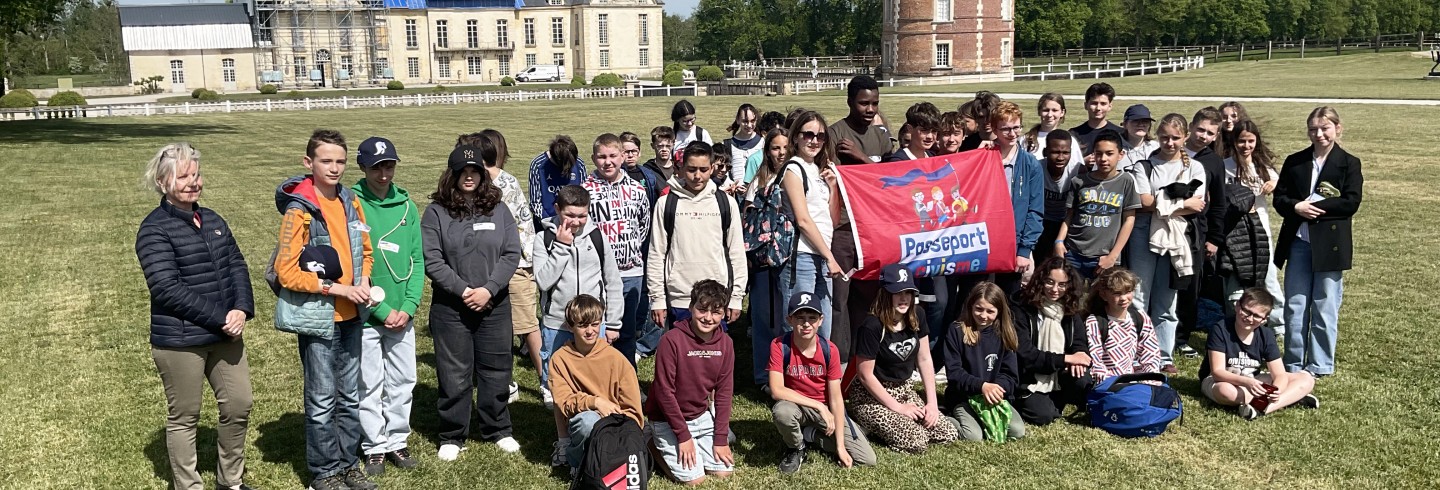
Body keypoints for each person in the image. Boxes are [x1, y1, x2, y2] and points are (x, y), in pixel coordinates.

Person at [136, 143, 256, 490]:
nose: (193, 182)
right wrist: (222, 317)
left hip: (225, 334)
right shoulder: (154, 229)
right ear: (163, 182)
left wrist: (241, 308)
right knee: (185, 416)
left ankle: (230, 481)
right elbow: (166, 288)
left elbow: (236, 264)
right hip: (180, 340)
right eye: (183, 176)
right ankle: (188, 486)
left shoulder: (213, 219)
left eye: (196, 174)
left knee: (239, 405)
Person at [272, 129, 377, 490]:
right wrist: (339, 288)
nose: (334, 168)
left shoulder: (351, 200)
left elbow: (365, 249)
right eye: (326, 161)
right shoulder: (299, 210)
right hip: (320, 319)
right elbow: (287, 272)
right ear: (309, 162)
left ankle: (348, 465)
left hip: (352, 316)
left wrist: (364, 280)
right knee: (321, 400)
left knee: (349, 397)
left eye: (340, 161)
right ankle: (325, 472)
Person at [423, 144, 523, 461]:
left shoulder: (499, 209)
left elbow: (511, 253)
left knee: (497, 369)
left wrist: (489, 289)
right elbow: (432, 260)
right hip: (451, 307)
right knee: (454, 373)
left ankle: (498, 428)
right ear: (451, 175)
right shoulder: (436, 212)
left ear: (483, 174)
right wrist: (465, 291)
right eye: (462, 171)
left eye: (475, 171)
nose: (469, 177)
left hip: (495, 303)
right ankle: (453, 434)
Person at [534, 184, 624, 466]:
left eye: (582, 215)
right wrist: (561, 247)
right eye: (570, 215)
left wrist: (613, 322)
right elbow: (543, 281)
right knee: (560, 386)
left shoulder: (597, 237)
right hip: (557, 325)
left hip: (594, 325)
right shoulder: (543, 238)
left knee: (594, 382)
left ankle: (597, 436)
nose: (576, 221)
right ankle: (563, 442)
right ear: (557, 209)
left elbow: (612, 281)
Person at [352, 137, 423, 475]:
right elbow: (352, 265)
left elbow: (417, 261)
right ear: (362, 168)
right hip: (366, 315)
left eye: (389, 166)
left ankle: (397, 439)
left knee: (403, 380)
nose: (383, 174)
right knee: (369, 383)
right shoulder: (352, 204)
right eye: (376, 168)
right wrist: (381, 311)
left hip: (402, 315)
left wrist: (408, 306)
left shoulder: (407, 206)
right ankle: (374, 445)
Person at [1273, 106, 1363, 378]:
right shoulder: (1295, 161)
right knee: (1295, 305)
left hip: (1330, 244)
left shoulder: (1349, 162)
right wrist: (1296, 207)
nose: (1319, 134)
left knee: (1325, 305)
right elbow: (1280, 198)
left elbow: (1351, 202)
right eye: (1313, 129)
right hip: (1298, 242)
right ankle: (1293, 362)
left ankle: (1320, 364)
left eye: (1325, 128)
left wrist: (1316, 206)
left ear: (1338, 128)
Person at [848, 264, 958, 453]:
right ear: (885, 293)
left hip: (904, 389)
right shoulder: (872, 325)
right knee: (917, 441)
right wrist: (898, 408)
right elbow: (865, 375)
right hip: (871, 396)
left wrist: (931, 403)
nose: (904, 298)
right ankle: (864, 423)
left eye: (908, 292)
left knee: (947, 433)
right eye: (897, 292)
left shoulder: (917, 315)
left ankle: (889, 425)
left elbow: (924, 359)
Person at [769, 292, 878, 473]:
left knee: (866, 459)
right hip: (797, 405)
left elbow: (836, 398)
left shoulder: (830, 349)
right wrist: (818, 406)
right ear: (790, 320)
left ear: (820, 320)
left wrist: (840, 446)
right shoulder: (780, 345)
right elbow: (777, 390)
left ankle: (810, 435)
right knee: (782, 412)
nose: (806, 324)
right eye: (800, 318)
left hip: (827, 409)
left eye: (812, 318)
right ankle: (796, 448)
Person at [474, 130, 543, 405]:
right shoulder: (473, 184)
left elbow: (519, 230)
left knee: (527, 325)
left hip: (515, 265)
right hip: (486, 267)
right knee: (495, 328)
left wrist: (522, 264)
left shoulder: (505, 184)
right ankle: (506, 380)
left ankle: (546, 381)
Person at [646, 142, 747, 330]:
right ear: (681, 168)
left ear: (712, 168)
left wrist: (736, 297)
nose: (697, 176)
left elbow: (736, 253)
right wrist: (657, 298)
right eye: (691, 169)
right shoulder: (666, 204)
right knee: (679, 348)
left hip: (717, 297)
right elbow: (656, 253)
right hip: (678, 298)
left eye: (703, 169)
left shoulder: (726, 203)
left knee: (715, 349)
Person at [644, 280, 736, 484]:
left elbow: (724, 392)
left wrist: (720, 439)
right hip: (667, 419)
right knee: (693, 480)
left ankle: (697, 443)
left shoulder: (726, 344)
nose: (708, 318)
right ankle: (650, 442)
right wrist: (683, 436)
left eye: (716, 312)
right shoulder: (671, 340)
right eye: (702, 310)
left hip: (700, 416)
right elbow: (664, 392)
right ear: (691, 307)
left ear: (723, 314)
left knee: (724, 472)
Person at [1137, 113, 1207, 374]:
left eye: (1175, 138)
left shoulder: (1195, 168)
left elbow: (1197, 205)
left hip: (1176, 235)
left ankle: (1163, 355)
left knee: (1167, 298)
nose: (1169, 143)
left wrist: (1164, 203)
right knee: (1139, 297)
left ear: (1185, 137)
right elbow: (1143, 201)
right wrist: (1181, 202)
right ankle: (1136, 352)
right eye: (1164, 137)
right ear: (1157, 136)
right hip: (1144, 233)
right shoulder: (1145, 165)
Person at [548, 294, 644, 471]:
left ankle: (600, 461)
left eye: (595, 324)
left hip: (615, 424)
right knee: (588, 422)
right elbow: (563, 402)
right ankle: (578, 462)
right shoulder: (560, 359)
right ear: (570, 326)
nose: (590, 331)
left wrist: (617, 423)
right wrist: (595, 402)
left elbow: (634, 410)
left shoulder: (617, 359)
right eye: (582, 325)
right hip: (583, 419)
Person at [580, 135, 651, 365]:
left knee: (626, 332)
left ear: (622, 156)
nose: (608, 162)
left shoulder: (637, 189)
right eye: (602, 157)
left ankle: (627, 378)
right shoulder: (585, 191)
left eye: (613, 156)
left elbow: (643, 226)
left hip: (630, 272)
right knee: (596, 331)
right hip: (596, 274)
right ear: (594, 159)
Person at [1200, 288, 1319, 420]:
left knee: (1307, 379)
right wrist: (1247, 382)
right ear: (1237, 306)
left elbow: (1279, 374)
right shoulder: (1220, 329)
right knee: (1225, 391)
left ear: (1264, 320)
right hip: (1221, 381)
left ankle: (1260, 408)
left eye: (1256, 316)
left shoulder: (1266, 335)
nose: (1249, 318)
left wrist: (1277, 390)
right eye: (1246, 311)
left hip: (1253, 380)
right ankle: (1289, 398)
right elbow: (1217, 372)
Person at [778, 111, 844, 343]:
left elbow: (832, 220)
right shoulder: (793, 169)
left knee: (823, 325)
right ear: (796, 137)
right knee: (799, 327)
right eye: (808, 135)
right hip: (802, 256)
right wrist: (830, 257)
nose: (815, 141)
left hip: (822, 255)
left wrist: (833, 188)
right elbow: (803, 220)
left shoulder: (818, 170)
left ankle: (821, 366)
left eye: (820, 136)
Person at [1175, 107, 1230, 362]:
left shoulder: (1214, 162)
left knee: (1190, 286)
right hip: (1165, 226)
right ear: (1190, 127)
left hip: (1196, 231)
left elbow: (1219, 203)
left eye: (1210, 133)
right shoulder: (1172, 150)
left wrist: (1214, 238)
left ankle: (1181, 337)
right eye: (1200, 130)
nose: (1204, 136)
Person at [1008, 258, 1091, 425]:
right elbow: (1026, 354)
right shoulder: (1021, 308)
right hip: (1029, 376)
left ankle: (1058, 397)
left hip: (1059, 372)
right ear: (1040, 281)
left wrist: (1080, 353)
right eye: (1050, 282)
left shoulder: (1069, 307)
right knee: (1042, 416)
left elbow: (1079, 342)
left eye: (1062, 285)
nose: (1055, 289)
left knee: (1083, 380)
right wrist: (1067, 359)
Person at [1221, 120, 1285, 330]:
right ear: (1234, 141)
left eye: (1250, 141)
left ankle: (1278, 324)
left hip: (1259, 230)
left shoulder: (1263, 167)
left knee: (1268, 278)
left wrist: (1274, 184)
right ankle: (1236, 323)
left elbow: (1282, 184)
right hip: (1235, 233)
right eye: (1241, 141)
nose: (1246, 146)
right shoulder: (1225, 166)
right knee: (1237, 281)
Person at [942, 282, 1025, 441]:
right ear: (970, 306)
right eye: (979, 309)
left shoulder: (1005, 333)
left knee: (1017, 431)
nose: (983, 316)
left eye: (990, 311)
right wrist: (982, 386)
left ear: (999, 311)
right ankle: (945, 420)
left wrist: (995, 390)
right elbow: (954, 373)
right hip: (965, 397)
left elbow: (1010, 375)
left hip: (994, 397)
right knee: (973, 436)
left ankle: (981, 421)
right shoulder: (957, 330)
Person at [1054, 130, 1140, 279]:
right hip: (1073, 252)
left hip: (1104, 256)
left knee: (1101, 293)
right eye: (1098, 154)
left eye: (1109, 153)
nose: (1103, 159)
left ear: (1121, 155)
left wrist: (1113, 256)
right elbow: (1069, 215)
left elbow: (1129, 220)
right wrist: (1059, 241)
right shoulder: (1079, 181)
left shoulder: (1126, 181)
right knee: (1071, 292)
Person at [746, 127, 793, 387]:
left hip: (791, 256)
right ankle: (764, 375)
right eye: (776, 148)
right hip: (762, 257)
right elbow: (748, 218)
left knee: (787, 317)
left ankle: (788, 372)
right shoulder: (759, 181)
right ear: (767, 151)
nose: (781, 153)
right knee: (764, 318)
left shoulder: (798, 175)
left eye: (786, 147)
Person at [990, 100, 1045, 295]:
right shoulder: (984, 158)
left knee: (1009, 300)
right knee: (979, 296)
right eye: (1005, 129)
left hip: (1014, 243)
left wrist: (1024, 250)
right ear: (994, 130)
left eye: (1016, 128)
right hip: (986, 242)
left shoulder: (1031, 164)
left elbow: (1035, 210)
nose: (1012, 134)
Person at [1085, 267, 1162, 380]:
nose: (1123, 298)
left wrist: (1149, 379)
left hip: (1133, 380)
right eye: (1117, 293)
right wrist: (1115, 382)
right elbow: (1096, 362)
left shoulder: (1141, 318)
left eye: (1128, 292)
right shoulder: (1095, 322)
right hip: (1106, 382)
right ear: (1103, 295)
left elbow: (1151, 355)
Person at [1035, 129, 1079, 265]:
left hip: (1065, 223)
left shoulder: (1077, 170)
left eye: (1065, 153)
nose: (1060, 157)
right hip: (1041, 222)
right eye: (1055, 152)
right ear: (1045, 152)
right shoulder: (1036, 168)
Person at [528, 134, 587, 230]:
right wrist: (549, 223)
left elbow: (585, 197)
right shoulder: (538, 165)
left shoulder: (579, 164)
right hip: (546, 225)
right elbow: (534, 203)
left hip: (574, 224)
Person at [829, 75, 891, 164]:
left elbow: (889, 171)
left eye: (875, 104)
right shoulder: (834, 134)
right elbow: (834, 171)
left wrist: (862, 157)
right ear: (850, 102)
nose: (870, 110)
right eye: (864, 103)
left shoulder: (881, 136)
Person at [1020, 92, 1083, 167]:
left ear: (1062, 112)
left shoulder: (1069, 140)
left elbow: (1077, 167)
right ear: (1039, 111)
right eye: (1046, 110)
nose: (1049, 115)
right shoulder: (1026, 140)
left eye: (1054, 110)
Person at [1069, 82, 1123, 156]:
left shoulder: (1120, 133)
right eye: (1094, 103)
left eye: (1103, 104)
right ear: (1086, 105)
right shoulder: (1074, 135)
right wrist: (1084, 161)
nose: (1098, 108)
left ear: (1110, 106)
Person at [620, 131, 665, 206]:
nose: (630, 155)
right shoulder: (616, 176)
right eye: (626, 152)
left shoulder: (649, 175)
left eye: (634, 151)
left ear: (639, 153)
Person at [743, 110, 788, 184]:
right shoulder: (754, 160)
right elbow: (750, 186)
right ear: (764, 134)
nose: (782, 152)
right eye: (775, 132)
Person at [724, 103, 763, 187]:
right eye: (745, 121)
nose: (749, 125)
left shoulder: (763, 143)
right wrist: (732, 185)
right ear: (738, 120)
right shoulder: (727, 145)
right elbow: (723, 172)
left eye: (752, 121)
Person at [1118, 104, 1159, 173]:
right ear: (1125, 124)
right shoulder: (1115, 147)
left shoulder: (1155, 148)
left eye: (1145, 121)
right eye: (1136, 121)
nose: (1141, 124)